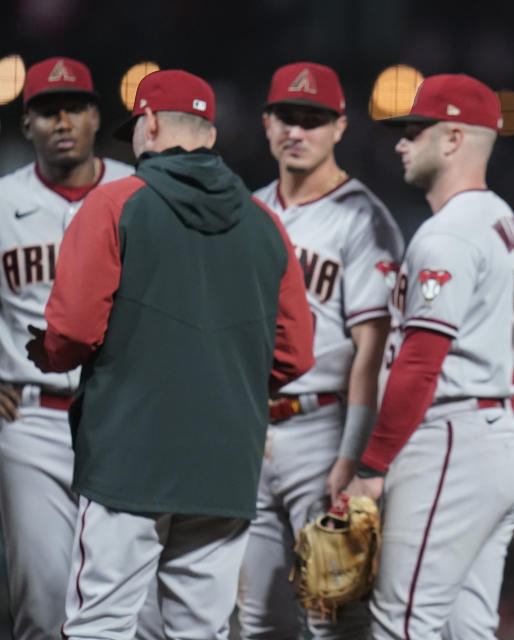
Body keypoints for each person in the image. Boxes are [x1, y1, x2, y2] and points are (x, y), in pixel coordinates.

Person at [24, 69, 314, 640]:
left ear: (151, 123)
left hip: (130, 455)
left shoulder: (114, 204)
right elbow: (295, 354)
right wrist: (226, 378)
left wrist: (48, 353)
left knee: (100, 623)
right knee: (200, 631)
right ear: (207, 133)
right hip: (227, 463)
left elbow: (74, 331)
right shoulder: (266, 224)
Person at [345, 73, 514, 639]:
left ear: (455, 139)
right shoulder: (502, 222)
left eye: (415, 130)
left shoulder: (448, 234)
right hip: (495, 443)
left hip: (451, 441)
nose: (400, 142)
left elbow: (420, 358)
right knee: (468, 628)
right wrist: (506, 416)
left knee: (401, 623)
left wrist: (372, 466)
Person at [236, 62, 404, 639]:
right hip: (249, 426)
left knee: (331, 611)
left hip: (324, 426)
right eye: (287, 117)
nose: (297, 131)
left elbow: (373, 349)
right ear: (266, 124)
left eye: (314, 120)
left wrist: (354, 453)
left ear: (340, 127)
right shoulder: (246, 210)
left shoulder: (363, 218)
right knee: (253, 615)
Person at [0, 56, 163, 640]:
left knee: (139, 611)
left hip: (126, 419)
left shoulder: (139, 191)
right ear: (27, 126)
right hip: (34, 423)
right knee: (42, 609)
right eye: (47, 110)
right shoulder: (1, 203)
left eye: (74, 107)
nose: (62, 120)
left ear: (96, 116)